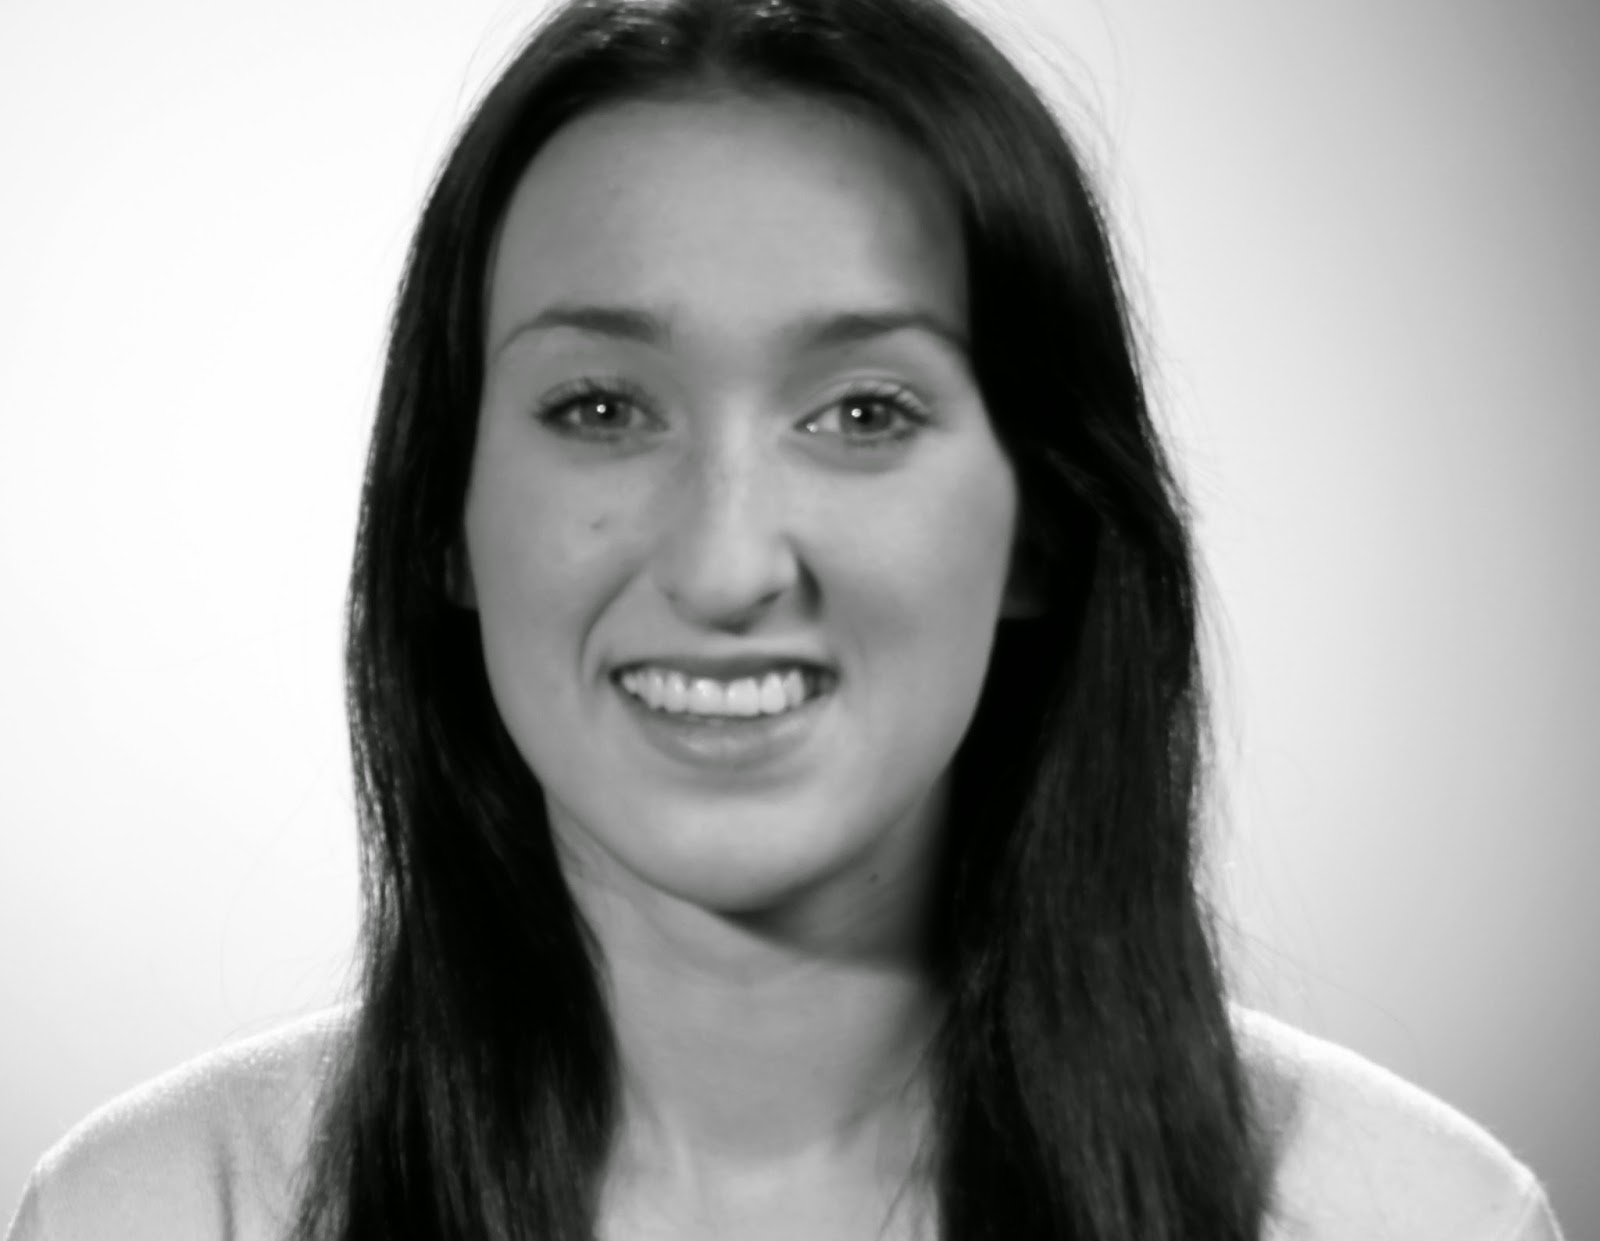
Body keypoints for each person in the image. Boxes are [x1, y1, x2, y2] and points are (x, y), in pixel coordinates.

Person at [4, 0, 1568, 1238]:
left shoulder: (1409, 1216)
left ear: (1041, 525)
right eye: (601, 406)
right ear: (444, 526)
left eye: (864, 411)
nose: (727, 562)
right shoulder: (155, 1211)